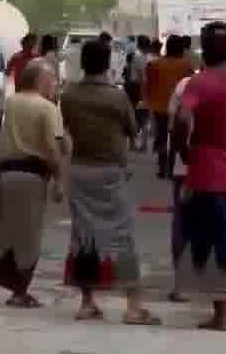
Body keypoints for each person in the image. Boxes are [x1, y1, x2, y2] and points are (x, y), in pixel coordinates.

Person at [61, 39, 160, 325]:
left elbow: (64, 129)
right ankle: (133, 305)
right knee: (122, 236)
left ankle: (87, 302)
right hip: (110, 173)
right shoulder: (116, 98)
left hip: (80, 169)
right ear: (107, 64)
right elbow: (133, 130)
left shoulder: (69, 95)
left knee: (84, 235)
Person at [173, 21, 226, 331]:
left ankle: (221, 314)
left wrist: (184, 150)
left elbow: (182, 118)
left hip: (207, 171)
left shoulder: (199, 83)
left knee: (214, 240)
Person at [0, 59, 64, 309]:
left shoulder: (11, 102)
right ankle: (19, 292)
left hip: (8, 173)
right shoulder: (48, 109)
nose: (55, 84)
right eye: (53, 79)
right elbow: (53, 148)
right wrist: (59, 179)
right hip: (34, 175)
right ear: (42, 81)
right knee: (28, 235)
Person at [145, 34, 194, 179]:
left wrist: (149, 103)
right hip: (179, 108)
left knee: (161, 136)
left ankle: (162, 168)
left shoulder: (154, 64)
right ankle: (173, 168)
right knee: (177, 139)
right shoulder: (186, 65)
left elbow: (149, 87)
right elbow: (190, 86)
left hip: (159, 107)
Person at [167, 64, 196, 303]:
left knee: (184, 225)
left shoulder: (186, 85)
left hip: (186, 170)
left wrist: (185, 158)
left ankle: (182, 285)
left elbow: (176, 123)